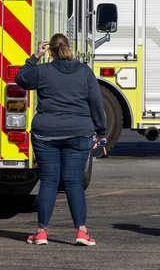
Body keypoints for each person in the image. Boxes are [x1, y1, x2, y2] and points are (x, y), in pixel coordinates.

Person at [16, 34, 107, 247]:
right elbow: (96, 103)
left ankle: (41, 232)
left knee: (48, 181)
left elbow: (21, 78)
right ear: (68, 48)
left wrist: (35, 56)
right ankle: (82, 232)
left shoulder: (42, 70)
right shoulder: (84, 72)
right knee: (73, 181)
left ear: (51, 51)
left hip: (46, 132)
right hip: (79, 132)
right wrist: (101, 132)